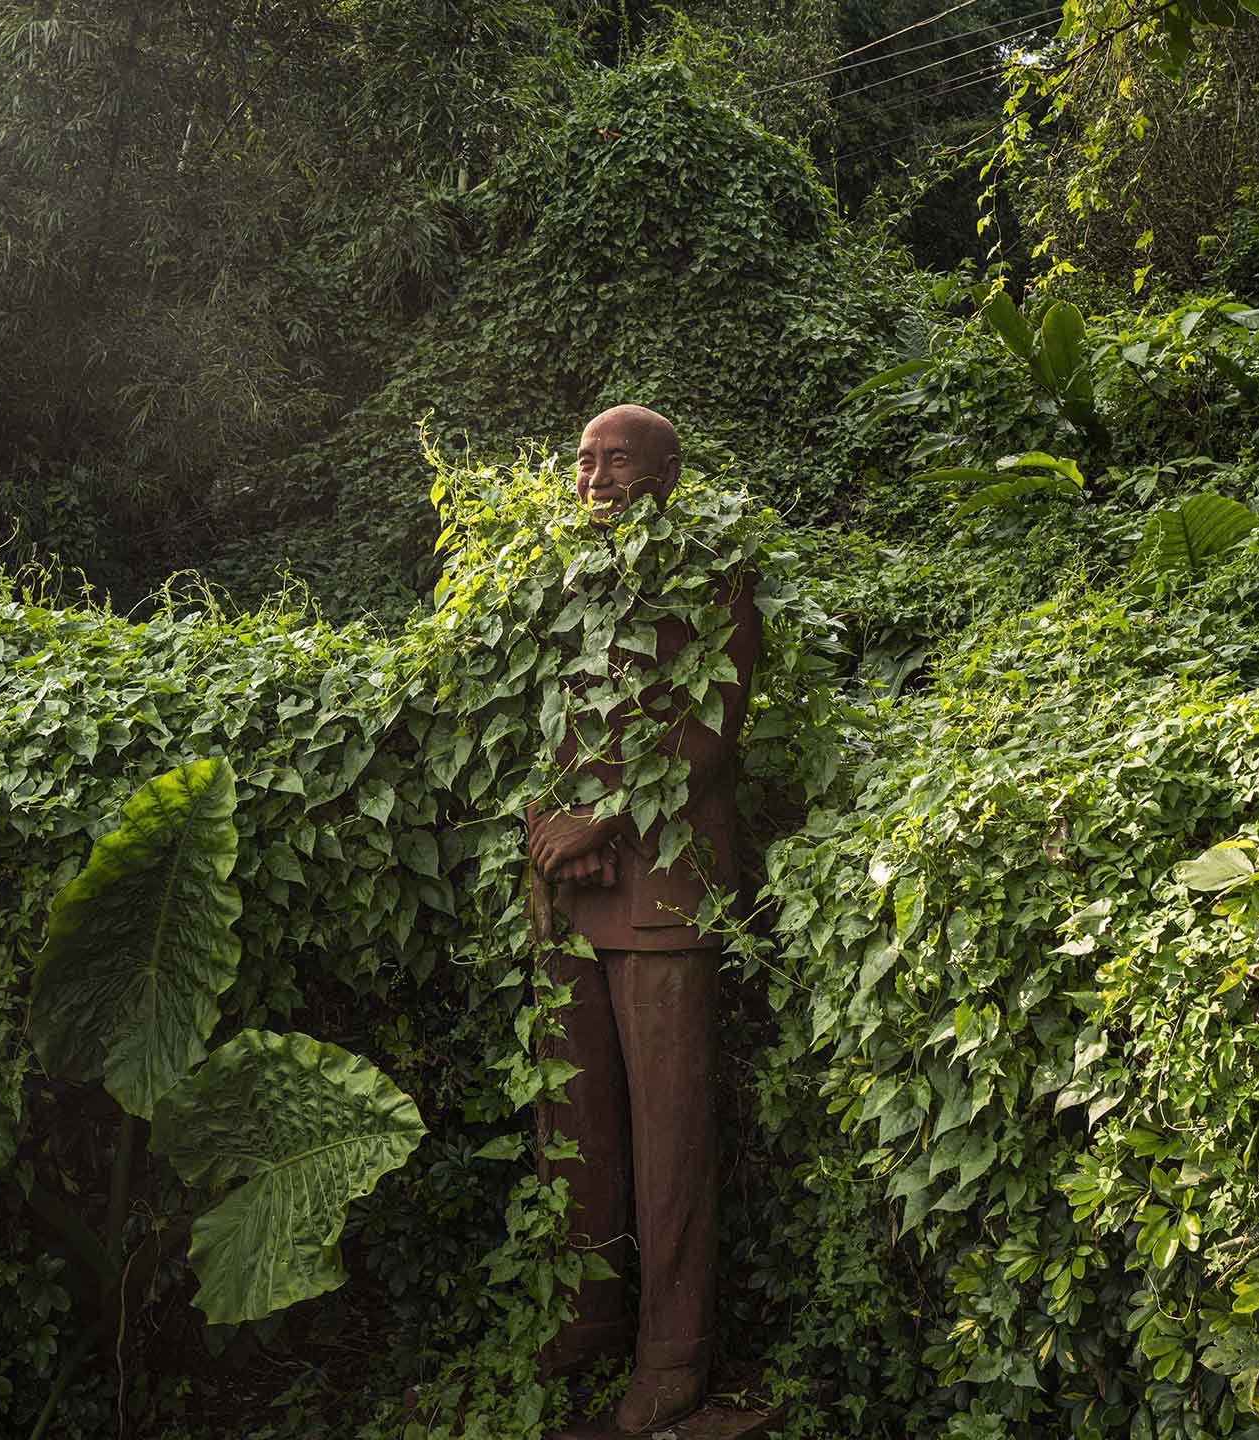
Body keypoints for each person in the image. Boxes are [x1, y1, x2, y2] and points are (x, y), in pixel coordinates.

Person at [523, 404, 761, 1433]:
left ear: (667, 472)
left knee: (670, 1135)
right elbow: (525, 712)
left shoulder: (715, 576)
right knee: (573, 1124)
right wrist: (543, 822)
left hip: (667, 889)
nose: (595, 478)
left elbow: (712, 731)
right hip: (570, 894)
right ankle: (586, 1317)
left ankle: (675, 1353)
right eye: (582, 461)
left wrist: (601, 817)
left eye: (617, 460)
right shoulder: (553, 579)